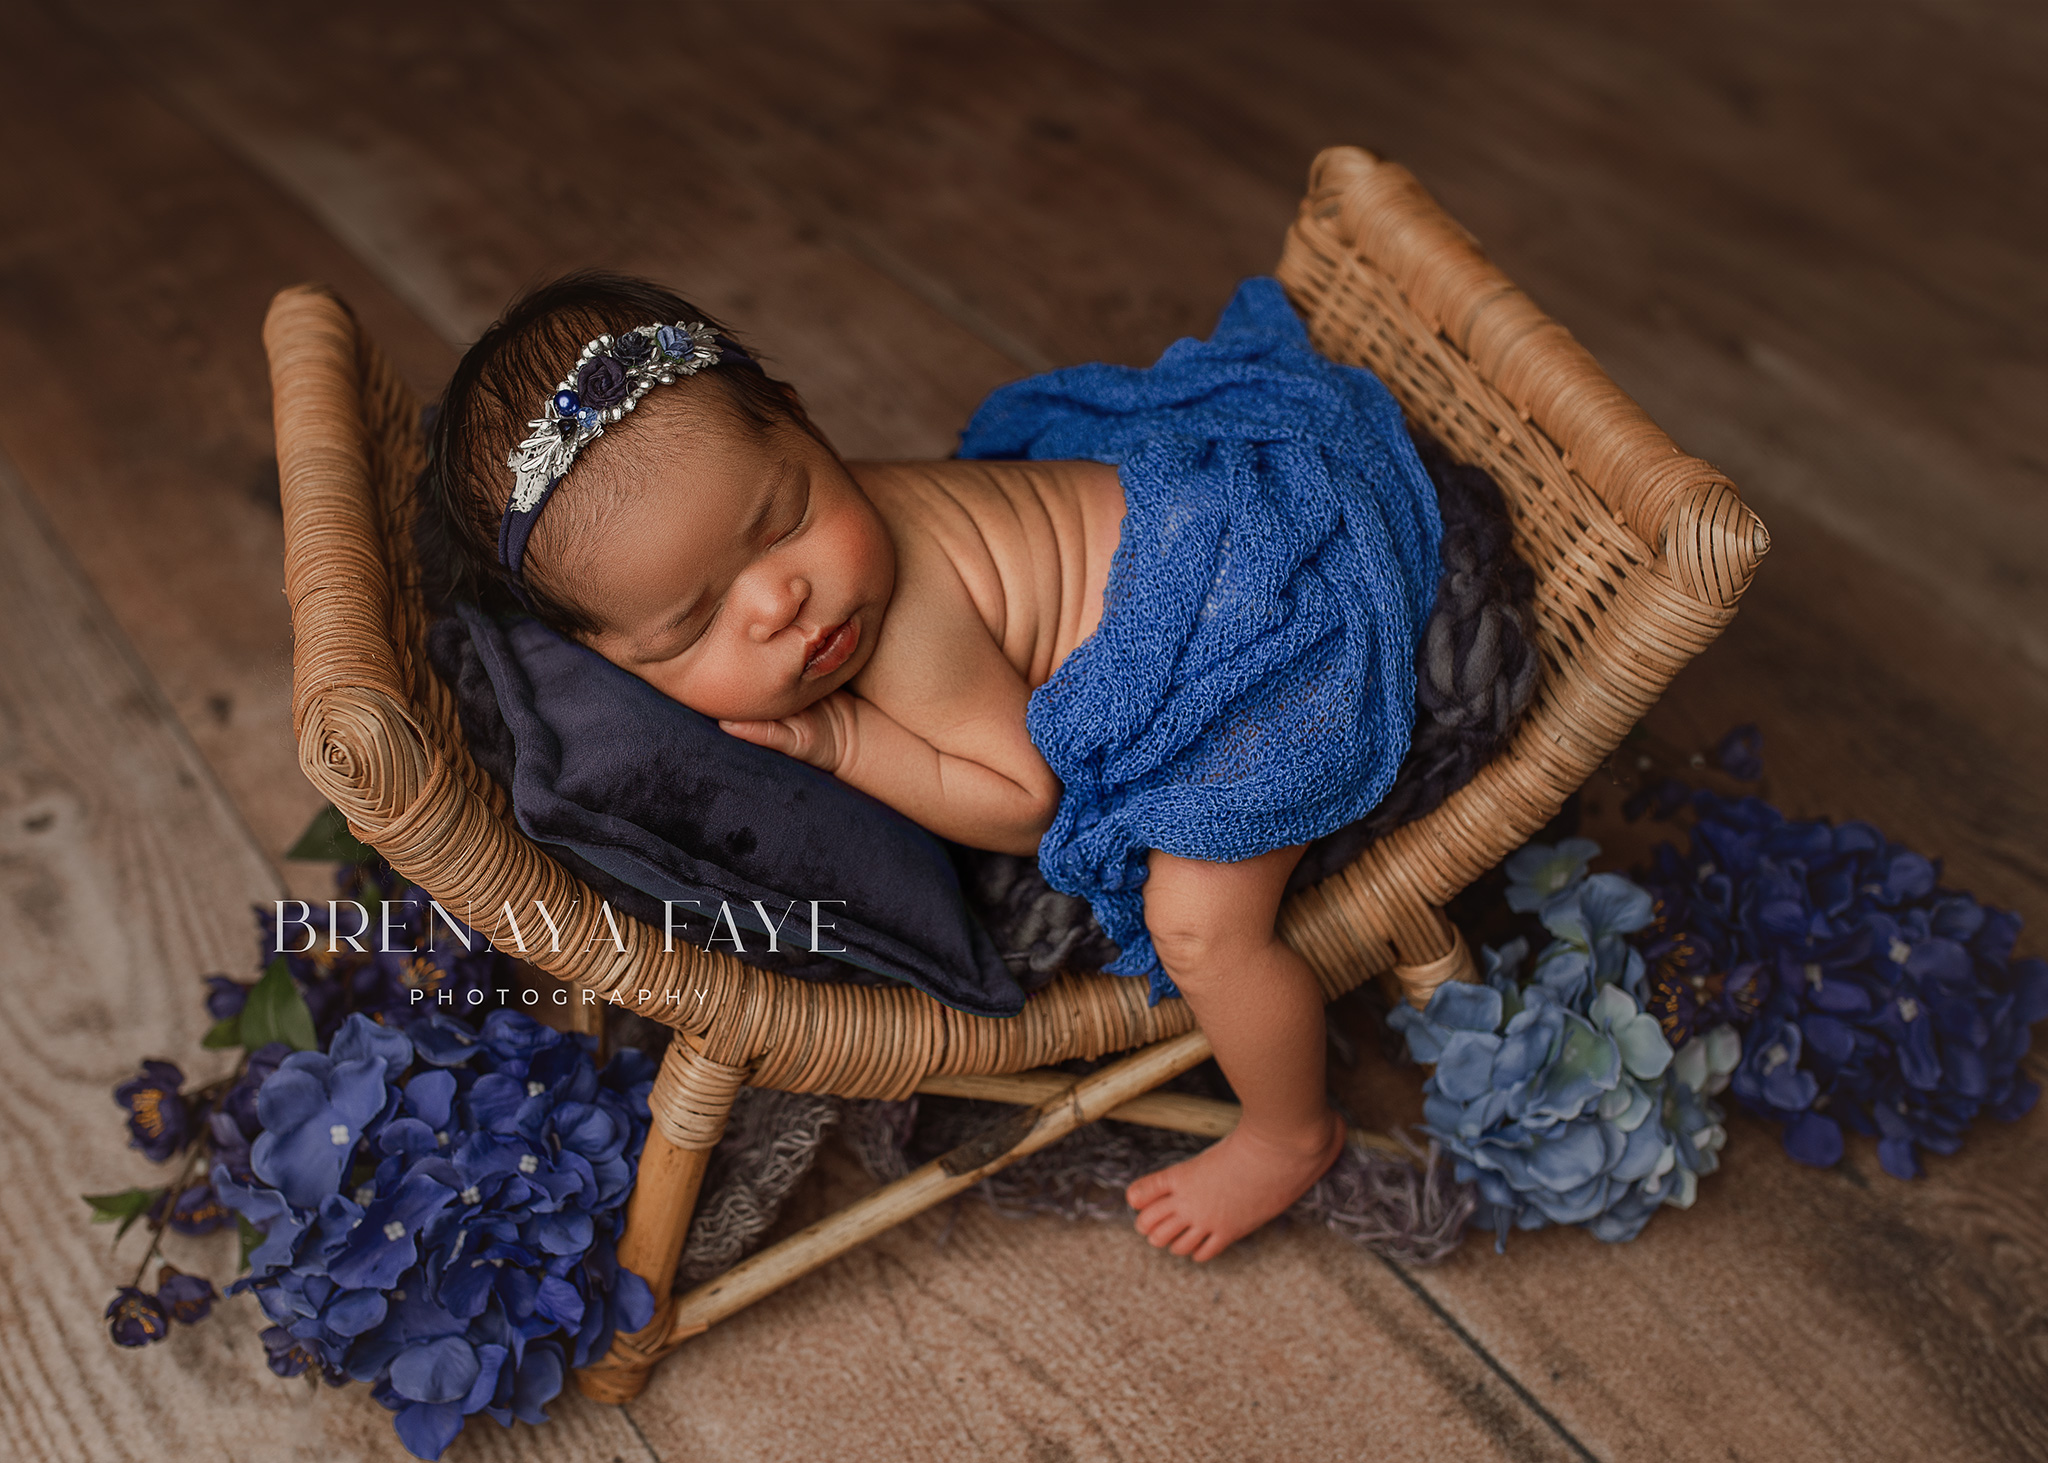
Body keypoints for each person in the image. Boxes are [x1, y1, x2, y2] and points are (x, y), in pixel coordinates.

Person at [422, 270, 1441, 1262]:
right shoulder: (822, 552)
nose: (779, 600)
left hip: (1252, 623)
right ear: (613, 659)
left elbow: (1023, 801)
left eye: (782, 521)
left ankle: (1288, 1129)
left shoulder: (904, 628)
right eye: (694, 622)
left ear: (800, 420)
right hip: (1197, 517)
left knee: (1199, 927)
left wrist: (848, 744)